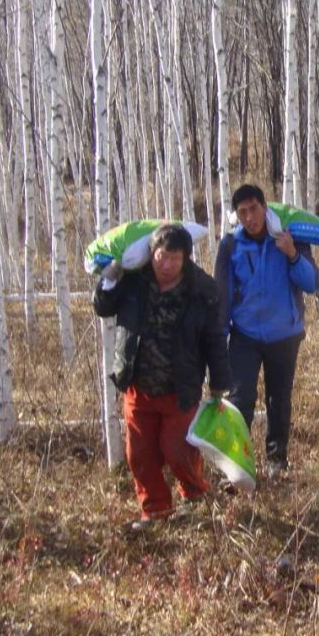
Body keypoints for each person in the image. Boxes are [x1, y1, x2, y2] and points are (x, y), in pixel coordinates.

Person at [93, 222, 232, 527]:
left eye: (174, 259)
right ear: (151, 254)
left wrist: (220, 382)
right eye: (161, 257)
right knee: (139, 454)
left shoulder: (202, 289)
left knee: (177, 449)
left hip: (179, 388)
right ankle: (154, 511)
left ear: (186, 259)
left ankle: (194, 498)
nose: (166, 265)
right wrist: (109, 280)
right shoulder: (133, 282)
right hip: (138, 385)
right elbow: (104, 308)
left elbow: (214, 337)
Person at [214, 184, 319, 478]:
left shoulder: (290, 238)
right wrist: (217, 341)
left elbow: (312, 284)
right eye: (243, 212)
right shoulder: (230, 246)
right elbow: (222, 296)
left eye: (254, 209)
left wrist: (291, 254)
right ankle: (237, 463)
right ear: (237, 215)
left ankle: (276, 460)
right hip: (244, 336)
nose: (250, 217)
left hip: (284, 336)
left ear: (265, 208)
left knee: (278, 399)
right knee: (240, 398)